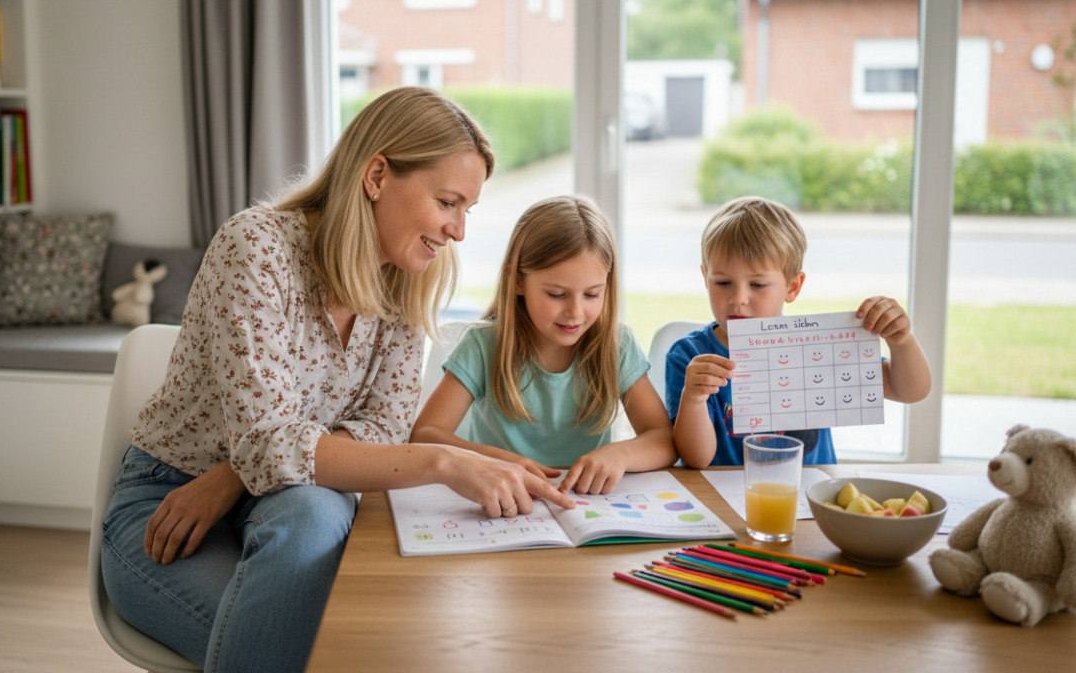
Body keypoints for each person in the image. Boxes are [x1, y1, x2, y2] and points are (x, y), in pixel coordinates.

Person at [100, 86, 576, 673]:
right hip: (168, 502)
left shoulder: (408, 278)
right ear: (377, 174)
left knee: (316, 520)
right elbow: (274, 444)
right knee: (335, 643)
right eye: (448, 202)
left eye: (466, 211)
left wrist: (236, 476)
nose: (457, 232)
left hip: (282, 497)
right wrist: (442, 462)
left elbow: (381, 427)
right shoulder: (256, 248)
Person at [411, 194, 677, 495]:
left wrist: (622, 453)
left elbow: (664, 440)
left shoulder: (617, 346)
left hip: (583, 507)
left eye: (591, 295)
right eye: (556, 294)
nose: (575, 312)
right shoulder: (483, 346)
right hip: (501, 502)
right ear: (518, 281)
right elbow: (425, 435)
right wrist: (497, 461)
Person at [666, 196, 932, 469]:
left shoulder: (814, 346)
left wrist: (901, 342)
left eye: (757, 284)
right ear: (705, 279)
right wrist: (694, 398)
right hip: (724, 498)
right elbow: (696, 459)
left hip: (809, 495)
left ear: (792, 287)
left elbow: (910, 391)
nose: (738, 298)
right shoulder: (688, 356)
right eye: (722, 282)